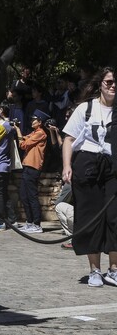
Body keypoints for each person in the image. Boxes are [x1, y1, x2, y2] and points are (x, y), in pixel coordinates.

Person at [64, 66, 117, 287]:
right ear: (99, 85)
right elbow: (68, 139)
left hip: (112, 167)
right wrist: (67, 166)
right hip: (87, 164)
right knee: (90, 216)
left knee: (114, 217)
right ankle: (94, 269)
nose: (113, 86)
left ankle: (114, 269)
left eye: (115, 82)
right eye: (108, 82)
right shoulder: (85, 109)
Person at [14, 108, 50, 234]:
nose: (31, 121)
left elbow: (23, 145)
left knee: (32, 197)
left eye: (34, 120)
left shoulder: (41, 133)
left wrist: (18, 130)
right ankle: (29, 222)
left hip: (33, 168)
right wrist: (18, 132)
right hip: (27, 167)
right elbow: (24, 138)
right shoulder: (34, 132)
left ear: (40, 122)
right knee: (24, 196)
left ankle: (36, 224)